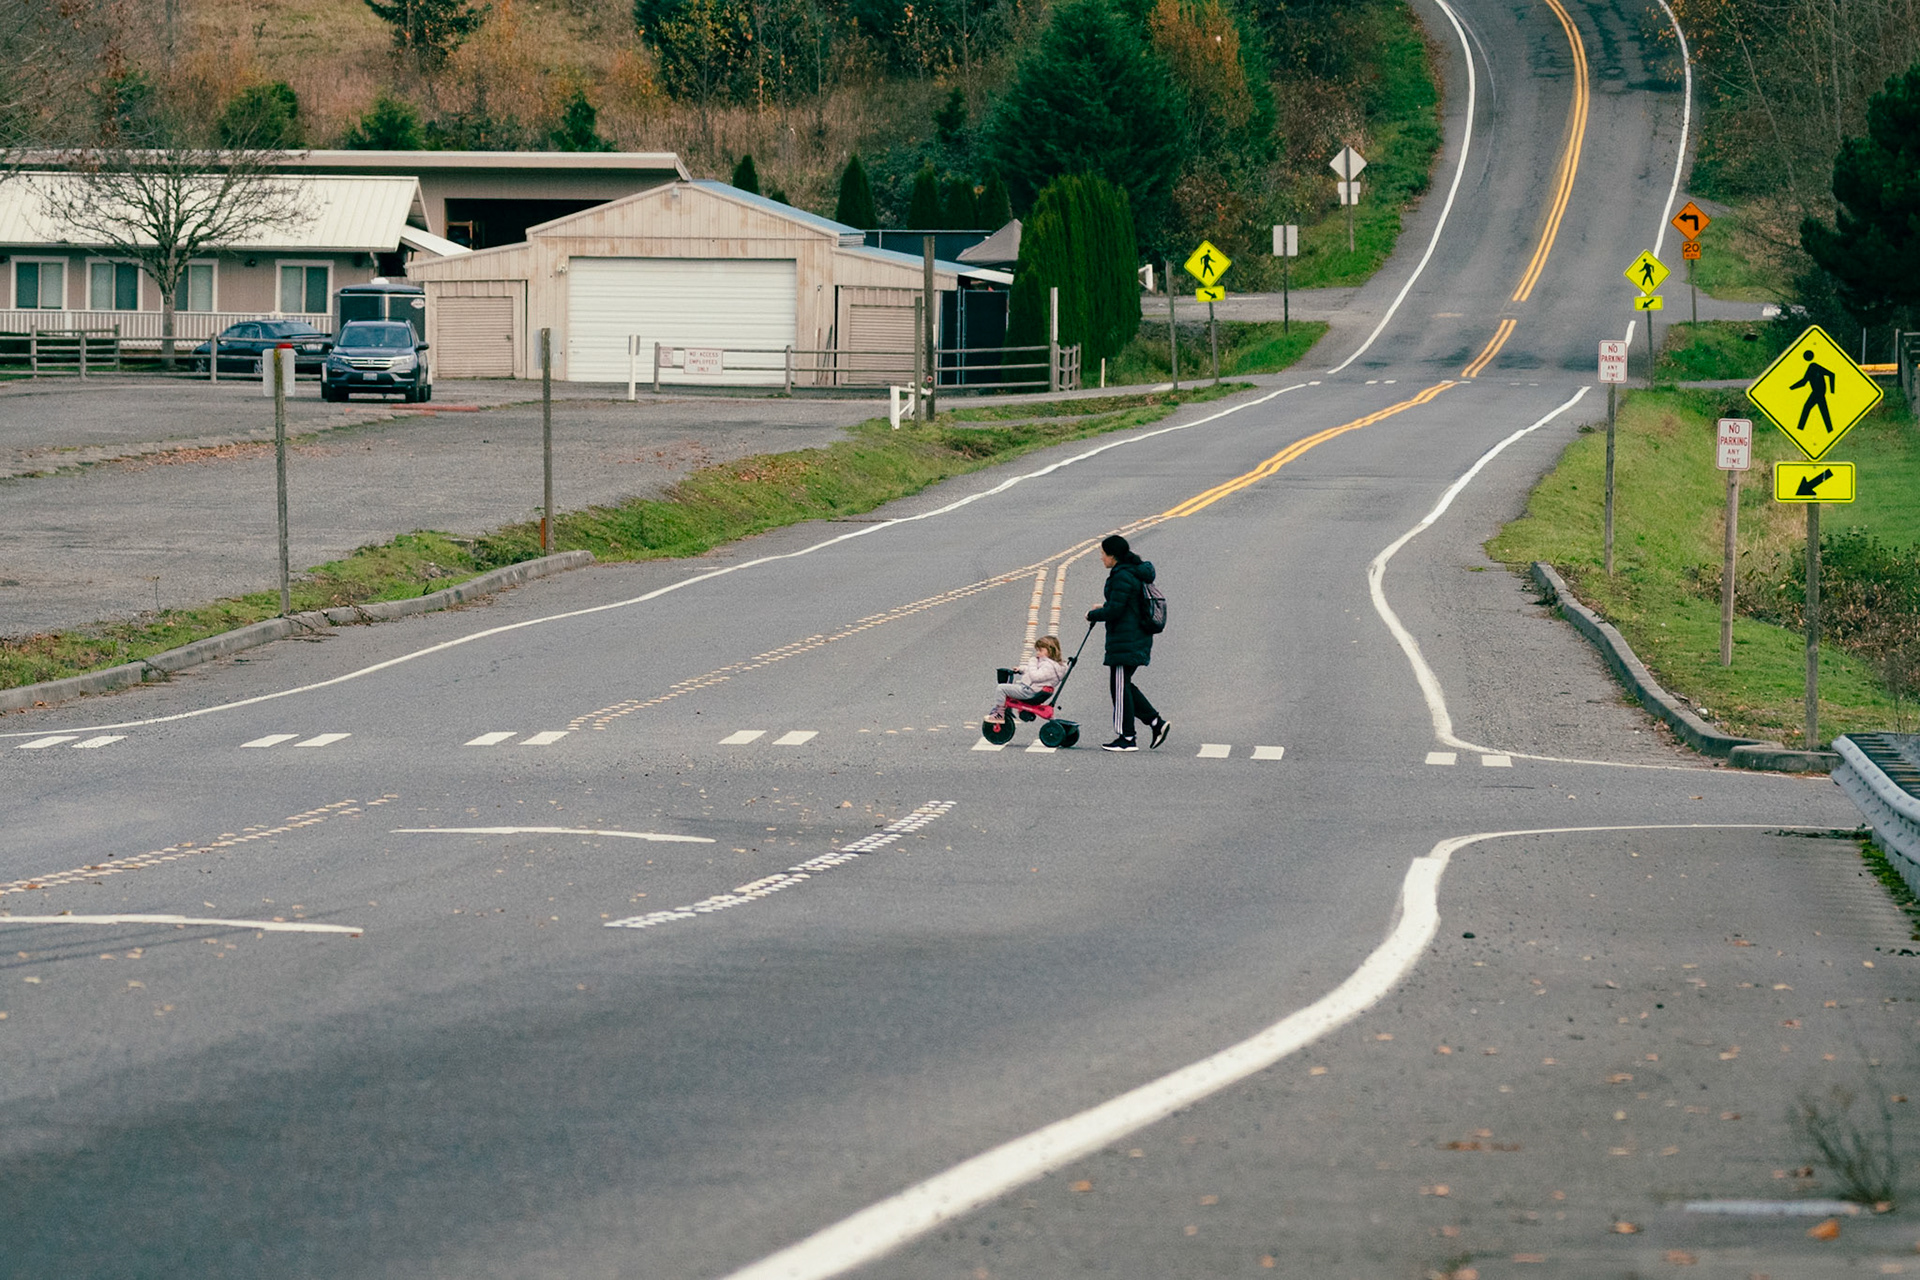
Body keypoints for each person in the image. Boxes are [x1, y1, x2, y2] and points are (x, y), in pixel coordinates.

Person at [1085, 533, 1169, 752]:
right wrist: (1102, 607)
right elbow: (1123, 604)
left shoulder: (1122, 575)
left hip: (1127, 639)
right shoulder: (1131, 571)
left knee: (1120, 687)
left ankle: (1127, 737)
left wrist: (1092, 615)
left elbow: (1116, 610)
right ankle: (1155, 723)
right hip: (1132, 637)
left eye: (1103, 554)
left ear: (1113, 556)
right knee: (1123, 685)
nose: (1101, 558)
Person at [984, 636, 1068, 724]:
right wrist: (1021, 669)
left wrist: (1032, 661)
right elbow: (1036, 671)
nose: (1037, 653)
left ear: (1050, 651)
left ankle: (999, 715)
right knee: (1007, 689)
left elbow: (1035, 676)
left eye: (1040, 651)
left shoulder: (1048, 666)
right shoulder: (1053, 666)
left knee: (1001, 688)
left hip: (1029, 691)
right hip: (1036, 690)